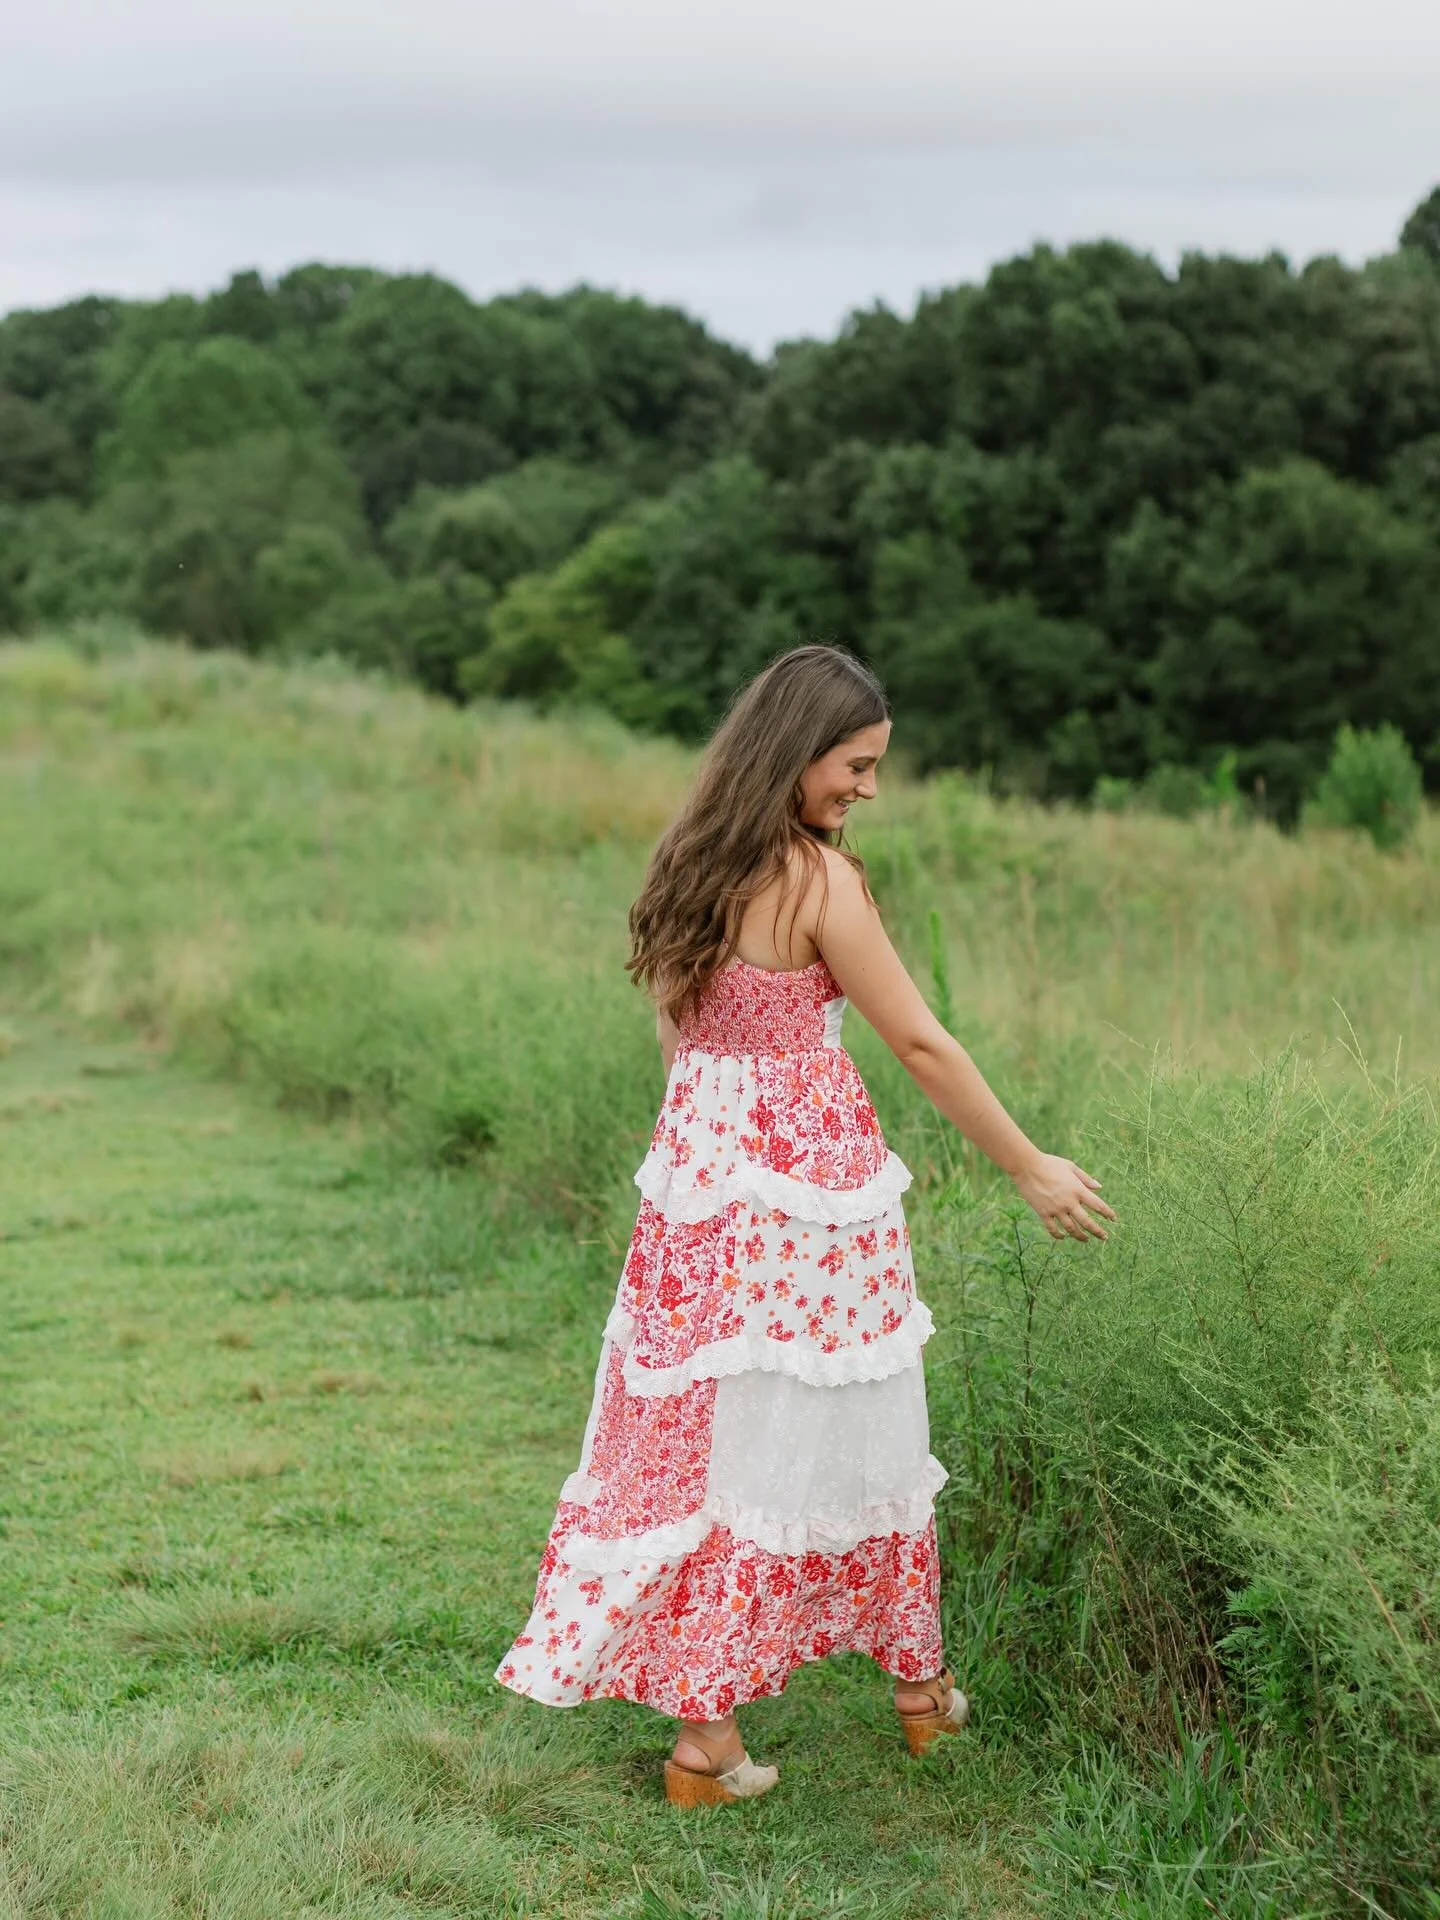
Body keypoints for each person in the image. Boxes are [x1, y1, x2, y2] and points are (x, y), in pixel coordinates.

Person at [495, 644, 1115, 1805]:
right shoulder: (819, 879)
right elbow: (918, 1040)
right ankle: (920, 1695)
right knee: (858, 1421)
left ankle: (708, 1740)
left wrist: (706, 1152)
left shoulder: (689, 859)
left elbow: (679, 1037)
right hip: (812, 1199)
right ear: (796, 749)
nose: (867, 787)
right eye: (855, 765)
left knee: (701, 1446)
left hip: (699, 1193)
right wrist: (1029, 1165)